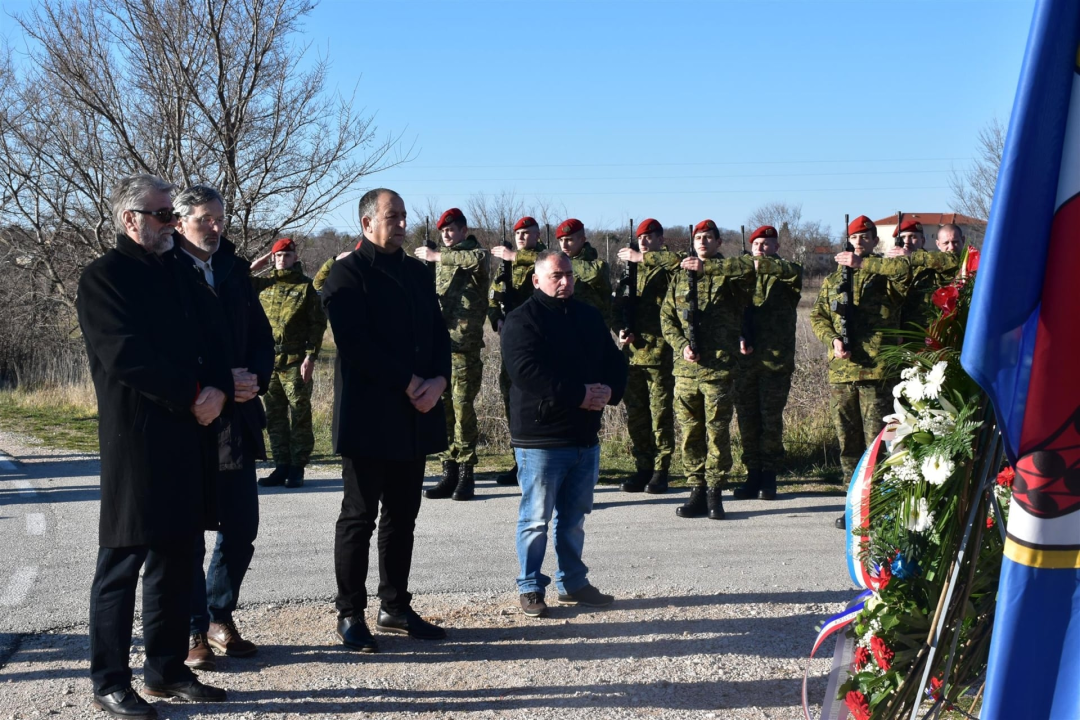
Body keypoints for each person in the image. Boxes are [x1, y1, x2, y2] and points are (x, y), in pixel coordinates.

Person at [78, 175, 229, 718]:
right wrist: (193, 393)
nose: (171, 224)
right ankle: (109, 682)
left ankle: (166, 669)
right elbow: (126, 355)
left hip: (189, 436)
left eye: (172, 215)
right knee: (122, 562)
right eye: (163, 215)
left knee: (178, 557)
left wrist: (219, 388)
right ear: (131, 219)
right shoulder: (103, 278)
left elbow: (214, 335)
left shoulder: (180, 273)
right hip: (137, 439)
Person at [321, 188, 451, 652]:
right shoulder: (346, 274)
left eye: (403, 216)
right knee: (359, 517)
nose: (401, 224)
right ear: (366, 223)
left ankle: (395, 605)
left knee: (403, 515)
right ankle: (350, 613)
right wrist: (409, 381)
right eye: (392, 216)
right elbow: (354, 344)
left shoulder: (417, 272)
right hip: (369, 415)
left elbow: (438, 334)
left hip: (414, 413)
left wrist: (438, 381)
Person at [171, 184, 275, 671]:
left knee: (241, 526)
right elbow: (169, 349)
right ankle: (192, 628)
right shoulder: (166, 271)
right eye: (204, 219)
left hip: (237, 416)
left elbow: (261, 337)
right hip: (189, 419)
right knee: (188, 531)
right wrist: (215, 383)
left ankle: (219, 614)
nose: (215, 227)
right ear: (179, 223)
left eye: (219, 218)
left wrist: (255, 379)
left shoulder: (234, 269)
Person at [501, 250, 627, 618]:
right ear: (536, 280)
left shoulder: (588, 315)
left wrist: (609, 391)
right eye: (557, 275)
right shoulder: (521, 319)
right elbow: (526, 372)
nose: (565, 281)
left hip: (584, 436)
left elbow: (614, 360)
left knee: (573, 518)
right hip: (541, 437)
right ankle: (530, 586)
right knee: (535, 519)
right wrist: (579, 394)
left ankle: (573, 583)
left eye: (569, 274)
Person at [809, 215, 910, 529]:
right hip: (842, 373)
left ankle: (878, 505)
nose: (860, 242)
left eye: (866, 237)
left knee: (877, 443)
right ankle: (854, 503)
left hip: (875, 372)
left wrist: (863, 264)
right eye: (855, 237)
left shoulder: (885, 273)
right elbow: (818, 316)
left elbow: (904, 274)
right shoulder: (834, 280)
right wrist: (833, 339)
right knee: (848, 443)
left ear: (875, 241)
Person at [660, 219, 756, 520]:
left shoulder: (731, 275)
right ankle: (697, 491)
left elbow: (750, 268)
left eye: (708, 237)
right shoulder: (680, 276)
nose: (702, 242)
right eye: (698, 237)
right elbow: (666, 318)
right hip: (686, 371)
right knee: (690, 433)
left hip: (718, 370)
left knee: (717, 432)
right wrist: (681, 346)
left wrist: (707, 269)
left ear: (718, 242)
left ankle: (715, 492)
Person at [415, 208, 490, 501]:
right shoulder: (440, 260)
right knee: (442, 410)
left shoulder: (474, 255)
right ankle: (448, 470)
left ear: (463, 230)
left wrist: (436, 256)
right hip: (439, 346)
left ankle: (466, 473)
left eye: (451, 230)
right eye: (443, 231)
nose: (446, 235)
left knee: (462, 410)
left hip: (464, 347)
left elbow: (478, 259)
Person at [730, 225, 803, 501]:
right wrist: (739, 336)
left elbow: (793, 272)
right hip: (745, 361)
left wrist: (760, 265)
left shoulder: (788, 274)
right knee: (747, 419)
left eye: (766, 244)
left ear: (776, 247)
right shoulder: (742, 277)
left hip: (775, 362)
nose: (760, 248)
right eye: (756, 244)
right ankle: (752, 474)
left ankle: (769, 476)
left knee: (770, 419)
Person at [250, 238, 327, 488]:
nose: (282, 259)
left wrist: (310, 357)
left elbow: (317, 325)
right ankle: (281, 465)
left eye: (287, 255)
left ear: (295, 257)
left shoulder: (305, 287)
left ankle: (297, 467)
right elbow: (235, 281)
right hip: (269, 360)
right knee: (274, 415)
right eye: (278, 255)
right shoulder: (264, 284)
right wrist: (255, 265)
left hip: (296, 360)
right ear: (272, 258)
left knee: (299, 413)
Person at [614, 218, 681, 494]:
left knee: (660, 415)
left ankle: (661, 470)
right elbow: (617, 307)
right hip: (632, 355)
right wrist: (620, 330)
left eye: (649, 237)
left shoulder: (667, 267)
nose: (643, 241)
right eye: (640, 237)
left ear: (660, 240)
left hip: (659, 354)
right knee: (637, 416)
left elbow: (678, 262)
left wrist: (641, 258)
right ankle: (643, 467)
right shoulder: (629, 271)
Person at [488, 215, 546, 487]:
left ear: (537, 234)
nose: (521, 237)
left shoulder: (543, 259)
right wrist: (496, 318)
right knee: (511, 400)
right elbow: (493, 295)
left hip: (538, 343)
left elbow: (544, 265)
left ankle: (540, 459)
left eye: (526, 232)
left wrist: (513, 257)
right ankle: (519, 461)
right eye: (518, 233)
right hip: (512, 343)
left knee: (537, 400)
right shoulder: (507, 264)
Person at [555, 218, 613, 325]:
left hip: (592, 325)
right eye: (561, 240)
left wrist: (560, 262)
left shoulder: (598, 265)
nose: (564, 245)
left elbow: (593, 273)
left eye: (569, 240)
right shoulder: (559, 263)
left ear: (582, 239)